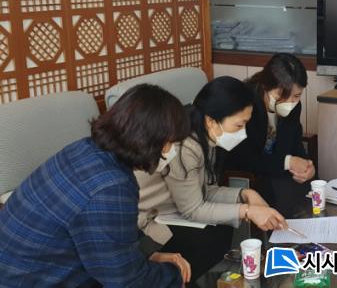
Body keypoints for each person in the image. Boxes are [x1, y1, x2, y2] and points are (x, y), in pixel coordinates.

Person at [0, 84, 192, 287]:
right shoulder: (111, 188)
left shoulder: (84, 148)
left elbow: (114, 232)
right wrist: (175, 275)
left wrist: (150, 252)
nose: (171, 150)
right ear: (149, 139)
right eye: (170, 142)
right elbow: (126, 281)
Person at [136, 76, 287, 283]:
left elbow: (205, 189)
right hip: (146, 221)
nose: (243, 134)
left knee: (222, 228)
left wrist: (245, 194)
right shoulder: (184, 144)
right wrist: (247, 211)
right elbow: (193, 209)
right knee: (209, 238)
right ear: (211, 121)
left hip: (173, 207)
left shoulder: (205, 136)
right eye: (239, 125)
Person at [224, 53, 316, 214]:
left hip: (277, 170)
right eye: (282, 95)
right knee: (286, 196)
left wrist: (308, 167)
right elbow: (243, 159)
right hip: (251, 173)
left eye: (296, 96)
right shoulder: (245, 105)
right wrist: (288, 162)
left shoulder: (295, 107)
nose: (290, 103)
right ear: (265, 86)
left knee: (311, 188)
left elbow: (295, 144)